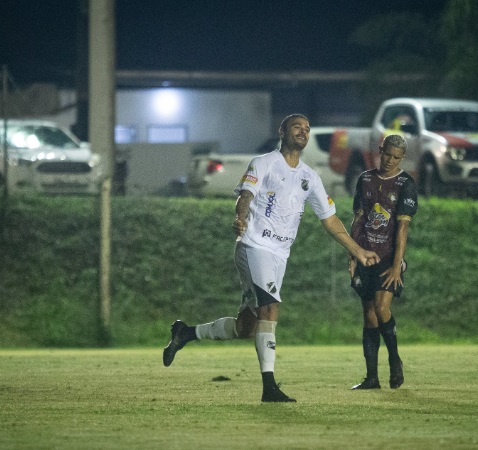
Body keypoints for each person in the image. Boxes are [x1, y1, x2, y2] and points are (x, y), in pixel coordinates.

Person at [163, 114, 380, 402]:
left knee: (247, 327)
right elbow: (246, 197)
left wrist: (358, 251)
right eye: (297, 127)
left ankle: (186, 333)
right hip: (253, 245)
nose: (303, 132)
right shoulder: (263, 163)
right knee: (271, 308)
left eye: (307, 129)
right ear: (282, 131)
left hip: (280, 254)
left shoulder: (309, 177)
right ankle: (269, 388)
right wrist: (239, 219)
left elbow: (330, 220)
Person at [348, 134, 418, 390]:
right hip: (365, 255)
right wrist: (353, 255)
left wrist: (397, 265)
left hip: (389, 257)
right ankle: (371, 378)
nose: (390, 160)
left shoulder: (405, 184)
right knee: (368, 316)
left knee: (381, 308)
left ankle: (395, 360)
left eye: (396, 157)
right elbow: (358, 219)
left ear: (402, 158)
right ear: (380, 150)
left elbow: (402, 228)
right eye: (387, 154)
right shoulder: (365, 179)